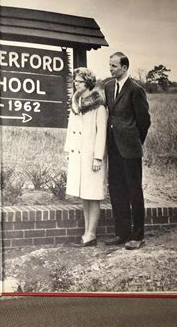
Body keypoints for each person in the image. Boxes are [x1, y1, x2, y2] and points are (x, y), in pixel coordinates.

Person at [104, 52, 151, 250]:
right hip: (113, 146)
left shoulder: (136, 90)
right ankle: (121, 233)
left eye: (114, 66)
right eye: (110, 65)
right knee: (116, 189)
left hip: (130, 149)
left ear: (124, 68)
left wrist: (134, 141)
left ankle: (137, 236)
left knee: (134, 191)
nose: (111, 69)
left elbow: (144, 121)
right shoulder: (108, 86)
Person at [64, 67, 107, 247]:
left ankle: (91, 234)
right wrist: (68, 150)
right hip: (78, 155)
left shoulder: (98, 104)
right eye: (75, 81)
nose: (76, 84)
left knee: (93, 194)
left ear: (88, 82)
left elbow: (101, 132)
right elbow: (71, 128)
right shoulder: (76, 102)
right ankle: (86, 233)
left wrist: (98, 157)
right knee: (84, 195)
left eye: (79, 81)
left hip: (91, 157)